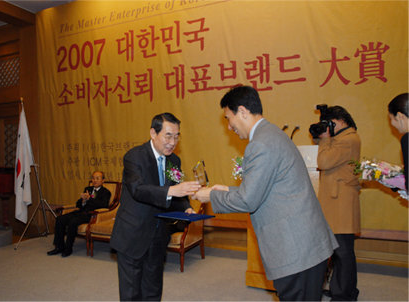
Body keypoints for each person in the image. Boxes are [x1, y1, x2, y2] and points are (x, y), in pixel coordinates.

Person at [194, 85, 338, 301]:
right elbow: (266, 189)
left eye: (228, 118)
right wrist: (226, 189)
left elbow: (248, 200)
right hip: (305, 244)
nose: (230, 127)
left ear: (242, 111)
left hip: (295, 249)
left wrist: (210, 196)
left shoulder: (260, 144)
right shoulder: (272, 134)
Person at [110, 112, 201, 301]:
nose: (173, 142)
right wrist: (173, 191)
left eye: (177, 136)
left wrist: (186, 207)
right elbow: (138, 190)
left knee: (153, 289)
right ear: (153, 133)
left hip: (159, 234)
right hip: (133, 234)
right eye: (168, 135)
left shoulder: (174, 161)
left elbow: (177, 193)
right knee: (131, 293)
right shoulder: (134, 157)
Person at [313, 106, 361, 300]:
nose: (328, 128)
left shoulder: (347, 139)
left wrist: (324, 139)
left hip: (340, 201)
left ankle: (344, 294)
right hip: (336, 200)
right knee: (340, 250)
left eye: (330, 123)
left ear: (341, 121)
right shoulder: (342, 139)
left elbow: (323, 162)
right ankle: (342, 289)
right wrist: (323, 137)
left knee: (342, 250)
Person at [47, 171, 111, 257]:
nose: (94, 180)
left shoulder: (106, 192)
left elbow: (103, 205)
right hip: (80, 212)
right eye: (93, 178)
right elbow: (78, 204)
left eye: (97, 178)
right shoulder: (88, 189)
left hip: (91, 215)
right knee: (60, 219)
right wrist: (83, 201)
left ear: (103, 180)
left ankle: (68, 248)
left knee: (73, 222)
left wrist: (89, 199)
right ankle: (59, 247)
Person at [388, 93, 408, 190]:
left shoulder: (406, 139)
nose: (391, 124)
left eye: (391, 118)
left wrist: (390, 180)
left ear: (400, 116)